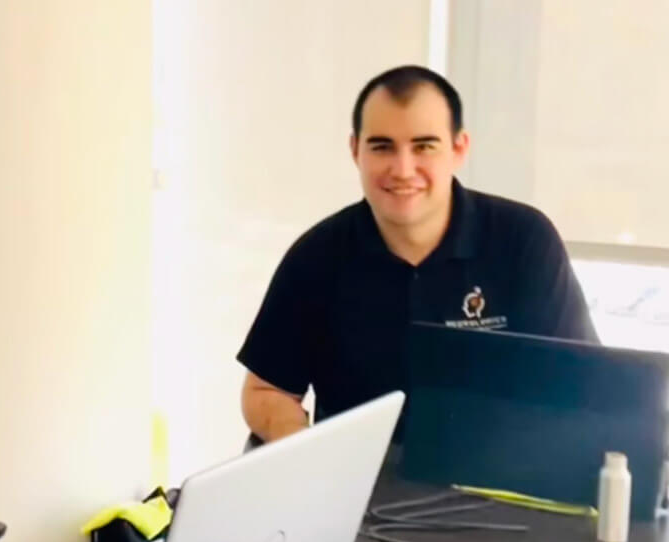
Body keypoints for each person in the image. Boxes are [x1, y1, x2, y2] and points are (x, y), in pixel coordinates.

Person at [238, 65, 597, 443]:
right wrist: (300, 446)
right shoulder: (316, 258)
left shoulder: (524, 240)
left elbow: (580, 385)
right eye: (382, 147)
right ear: (355, 150)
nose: (403, 169)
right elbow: (266, 391)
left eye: (424, 146)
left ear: (459, 149)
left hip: (498, 484)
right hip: (360, 490)